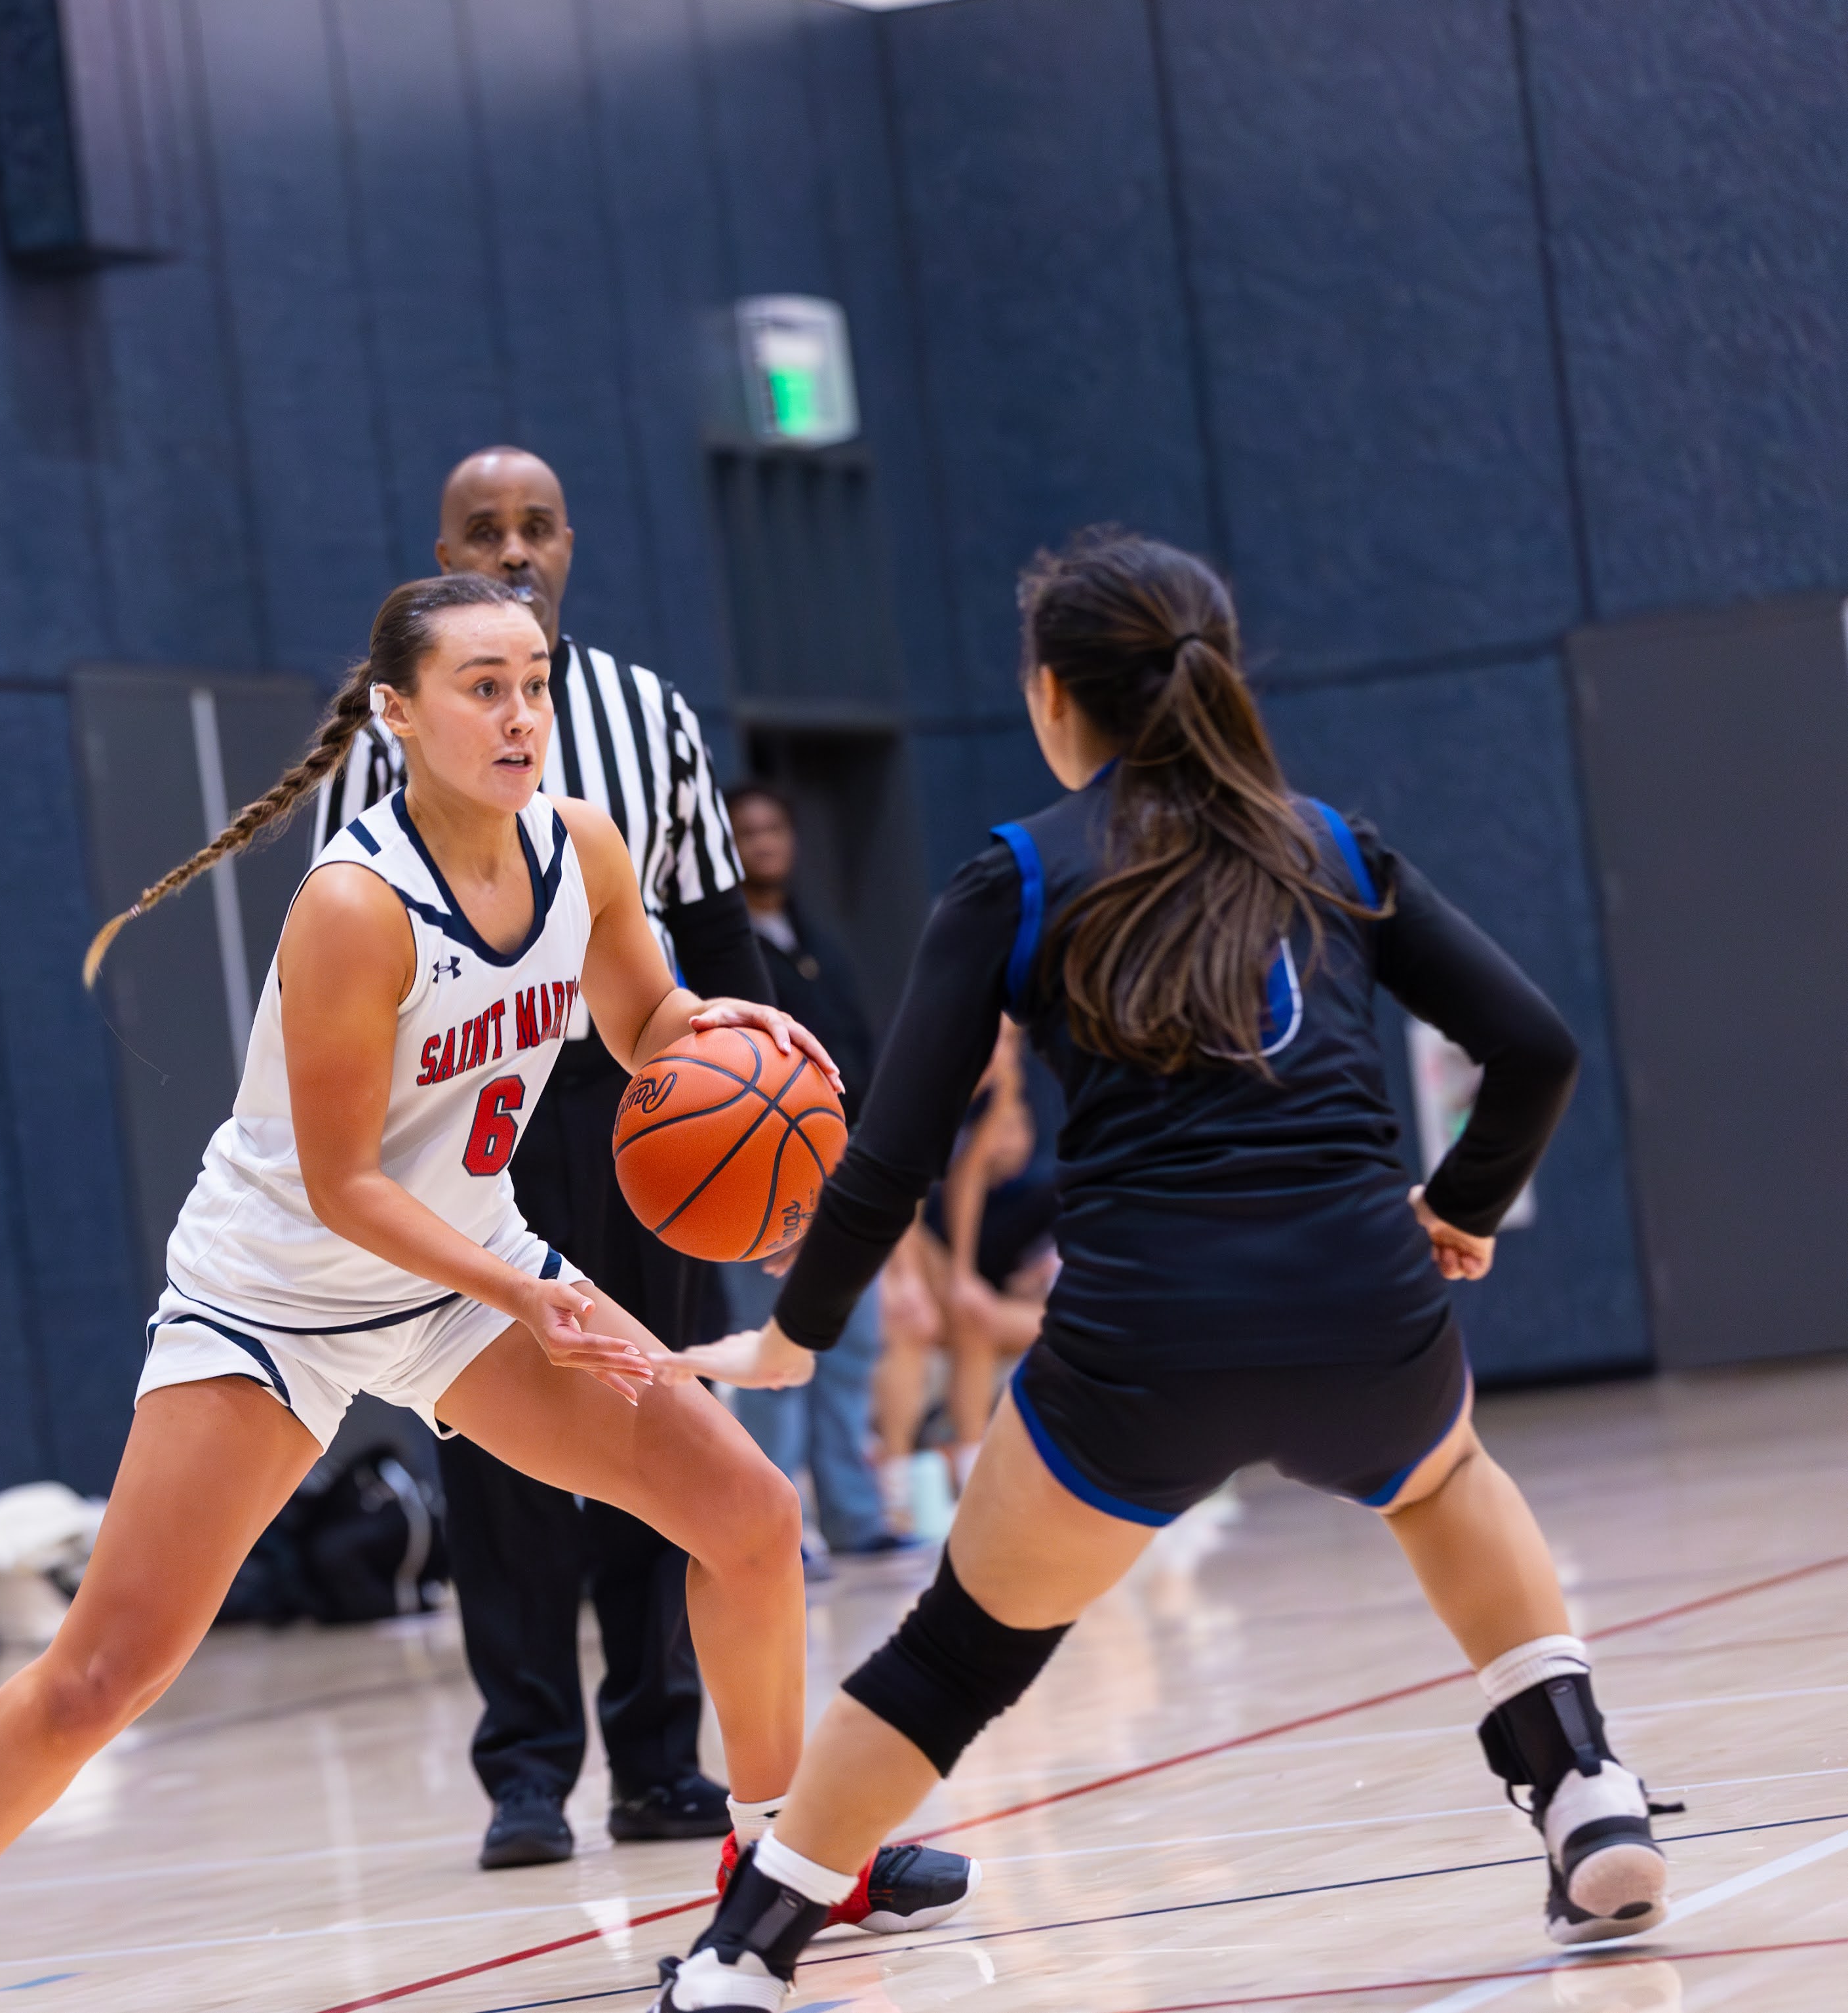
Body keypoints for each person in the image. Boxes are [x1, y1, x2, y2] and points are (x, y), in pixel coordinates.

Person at [0, 574, 973, 2012]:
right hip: (273, 1296)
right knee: (106, 1672)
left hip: (462, 1279)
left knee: (748, 1518)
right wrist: (531, 1293)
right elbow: (345, 1183)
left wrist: (724, 1034)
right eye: (482, 685)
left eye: (534, 681)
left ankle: (783, 1868)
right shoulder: (356, 906)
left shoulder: (584, 848)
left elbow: (640, 1016)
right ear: (397, 713)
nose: (519, 713)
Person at [652, 531, 1655, 2010]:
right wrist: (1458, 1206)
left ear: (1054, 698)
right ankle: (1586, 1792)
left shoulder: (1015, 874)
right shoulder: (1332, 845)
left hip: (1142, 1347)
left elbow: (888, 1159)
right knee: (1442, 1482)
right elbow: (1537, 1048)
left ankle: (745, 1957)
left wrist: (793, 1336)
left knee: (957, 1652)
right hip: (1363, 1307)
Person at [316, 447, 773, 1868]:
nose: (514, 550)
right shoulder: (366, 759)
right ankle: (525, 1767)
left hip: (645, 1107)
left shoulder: (647, 719)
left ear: (569, 544)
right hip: (462, 1121)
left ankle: (666, 1758)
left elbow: (712, 937)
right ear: (441, 547)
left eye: (535, 529)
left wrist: (762, 1119)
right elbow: (344, 997)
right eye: (482, 532)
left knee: (665, 1413)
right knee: (497, 1454)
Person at [720, 785, 903, 1559]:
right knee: (773, 1354)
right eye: (747, 832)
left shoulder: (818, 937)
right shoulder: (726, 946)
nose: (763, 842)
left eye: (774, 827)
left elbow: (857, 1050)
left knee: (851, 1342)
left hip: (841, 1168)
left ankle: (854, 1518)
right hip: (763, 1175)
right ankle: (779, 1535)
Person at [870, 1024, 1051, 1517]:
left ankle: (974, 1471)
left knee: (973, 1317)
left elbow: (969, 1178)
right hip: (888, 1222)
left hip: (935, 1236)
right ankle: (896, 1478)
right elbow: (895, 1186)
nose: (1008, 1051)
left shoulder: (1003, 1088)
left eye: (1016, 1042)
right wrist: (906, 1276)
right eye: (1000, 1039)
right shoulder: (927, 1084)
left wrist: (964, 1274)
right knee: (912, 1323)